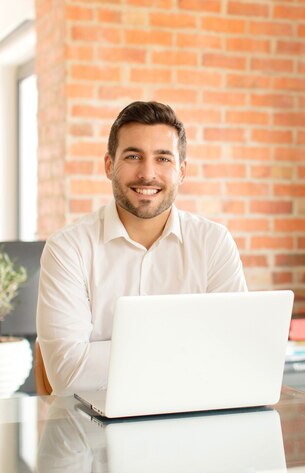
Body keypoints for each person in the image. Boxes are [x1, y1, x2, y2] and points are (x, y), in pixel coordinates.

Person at [36, 101, 247, 396]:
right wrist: (189, 345)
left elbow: (235, 356)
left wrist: (105, 354)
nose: (147, 173)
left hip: (194, 423)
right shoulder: (68, 248)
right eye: (134, 156)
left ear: (182, 171)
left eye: (163, 159)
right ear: (110, 166)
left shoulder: (213, 243)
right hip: (93, 434)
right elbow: (68, 376)